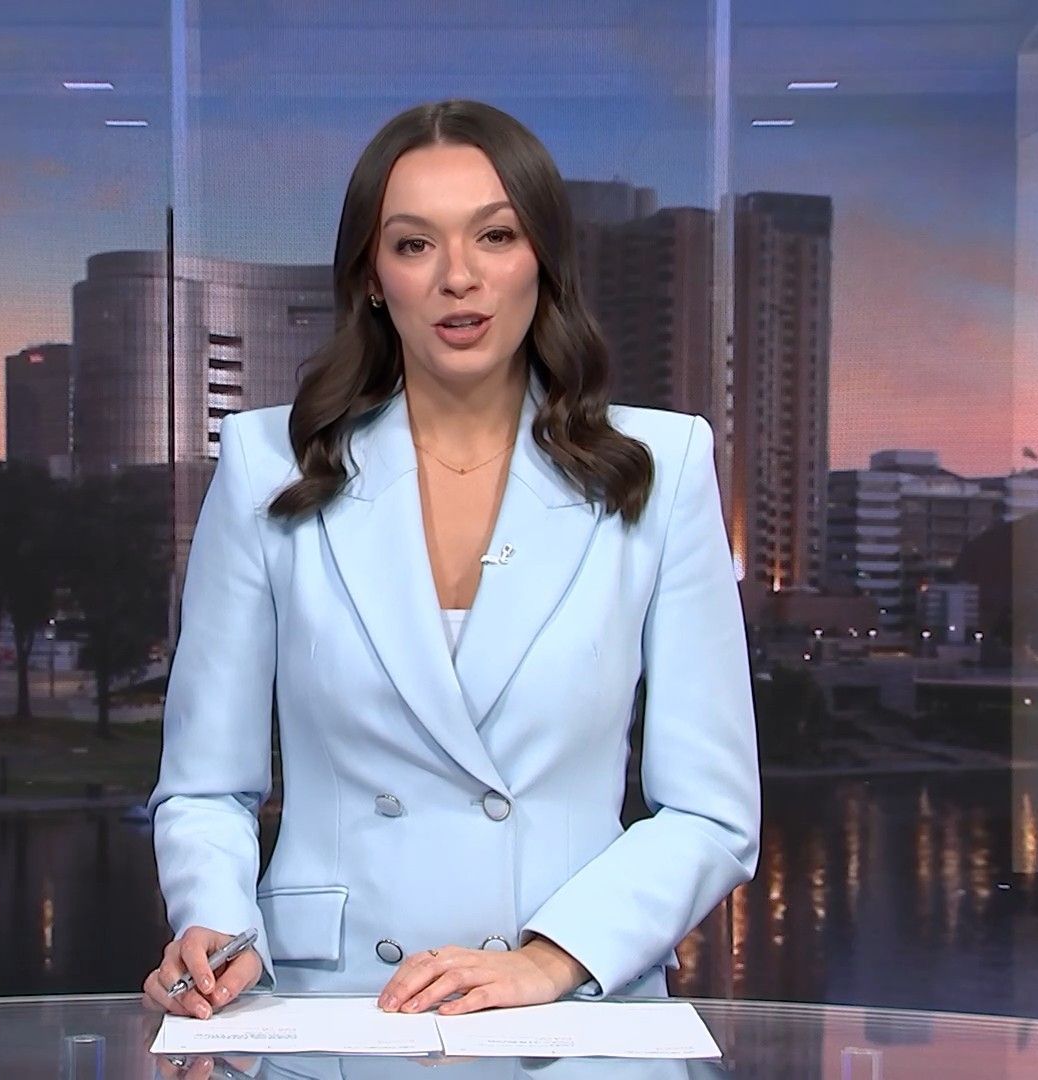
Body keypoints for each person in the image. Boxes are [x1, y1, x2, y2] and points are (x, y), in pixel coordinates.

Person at [143, 99, 759, 1021]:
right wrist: (215, 932)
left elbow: (711, 810)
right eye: (414, 244)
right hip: (334, 1005)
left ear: (542, 258)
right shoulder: (269, 466)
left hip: (570, 1010)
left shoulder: (660, 468)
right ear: (373, 277)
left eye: (496, 236)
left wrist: (548, 961)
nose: (458, 277)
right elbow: (206, 786)